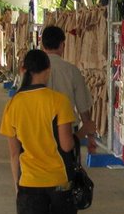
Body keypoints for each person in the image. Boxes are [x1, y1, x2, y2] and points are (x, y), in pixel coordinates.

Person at [0, 49, 85, 214]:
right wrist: (79, 134)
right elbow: (66, 145)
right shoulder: (58, 101)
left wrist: (17, 184)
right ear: (47, 71)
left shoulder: (13, 105)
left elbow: (14, 153)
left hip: (30, 181)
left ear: (24, 69)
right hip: (59, 180)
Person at [40, 25, 99, 153]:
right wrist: (90, 136)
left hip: (39, 129)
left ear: (42, 45)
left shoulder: (33, 70)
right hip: (68, 130)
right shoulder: (72, 71)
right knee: (67, 166)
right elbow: (83, 107)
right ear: (62, 45)